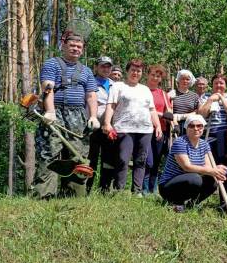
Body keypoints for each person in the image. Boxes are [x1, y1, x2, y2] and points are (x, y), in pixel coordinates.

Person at [31, 30, 98, 199]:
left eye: (79, 47)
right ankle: (44, 196)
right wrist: (50, 111)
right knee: (49, 153)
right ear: (63, 45)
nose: (76, 49)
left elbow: (91, 95)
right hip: (56, 113)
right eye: (72, 45)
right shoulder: (52, 64)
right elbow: (48, 87)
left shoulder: (87, 71)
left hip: (78, 117)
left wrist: (93, 116)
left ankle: (74, 197)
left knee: (78, 155)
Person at [101, 59, 163, 195]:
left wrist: (157, 126)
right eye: (133, 70)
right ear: (127, 71)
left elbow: (152, 110)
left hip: (145, 129)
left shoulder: (145, 89)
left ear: (142, 73)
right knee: (123, 159)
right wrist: (107, 123)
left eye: (138, 71)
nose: (135, 73)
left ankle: (137, 191)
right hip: (124, 128)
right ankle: (119, 190)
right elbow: (111, 105)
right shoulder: (118, 86)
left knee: (141, 160)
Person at [158, 114, 227, 209]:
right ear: (186, 128)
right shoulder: (180, 142)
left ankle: (191, 205)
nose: (196, 128)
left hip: (189, 180)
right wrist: (212, 170)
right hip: (168, 186)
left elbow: (207, 167)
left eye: (199, 126)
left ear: (203, 128)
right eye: (192, 126)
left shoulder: (204, 144)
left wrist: (215, 169)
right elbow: (186, 167)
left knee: (213, 180)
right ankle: (176, 202)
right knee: (195, 178)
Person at [87, 56, 114, 194]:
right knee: (90, 158)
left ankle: (104, 189)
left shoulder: (114, 84)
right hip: (92, 127)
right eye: (103, 66)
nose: (106, 69)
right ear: (96, 67)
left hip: (109, 128)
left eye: (108, 66)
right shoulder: (89, 82)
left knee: (108, 159)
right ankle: (86, 189)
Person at [143, 64, 172, 195]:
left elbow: (169, 112)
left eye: (158, 76)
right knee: (146, 160)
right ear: (147, 75)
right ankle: (142, 188)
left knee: (156, 160)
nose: (155, 78)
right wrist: (161, 115)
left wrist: (172, 121)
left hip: (161, 130)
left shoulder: (164, 94)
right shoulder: (142, 90)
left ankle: (153, 189)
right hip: (144, 129)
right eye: (153, 74)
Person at [199, 74, 227, 163]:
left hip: (225, 136)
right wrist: (211, 100)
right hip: (208, 136)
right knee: (209, 162)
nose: (218, 85)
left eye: (221, 83)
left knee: (223, 162)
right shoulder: (205, 97)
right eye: (216, 83)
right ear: (212, 85)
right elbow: (202, 115)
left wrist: (221, 97)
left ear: (226, 85)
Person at [172, 69, 200, 136]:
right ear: (178, 80)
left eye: (187, 79)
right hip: (174, 124)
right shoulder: (172, 93)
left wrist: (182, 116)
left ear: (190, 81)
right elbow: (168, 109)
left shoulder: (194, 96)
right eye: (182, 79)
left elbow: (197, 110)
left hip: (190, 125)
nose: (185, 81)